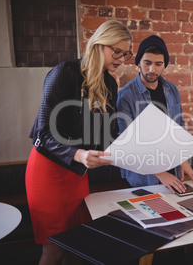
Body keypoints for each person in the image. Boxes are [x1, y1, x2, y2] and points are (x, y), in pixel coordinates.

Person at [26, 20, 133, 265]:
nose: (121, 58)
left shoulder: (109, 83)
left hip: (77, 174)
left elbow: (109, 135)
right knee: (54, 250)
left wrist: (146, 156)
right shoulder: (64, 73)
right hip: (49, 172)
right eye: (116, 51)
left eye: (125, 53)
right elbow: (43, 134)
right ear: (98, 44)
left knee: (78, 245)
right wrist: (79, 155)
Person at [116, 35, 193, 193]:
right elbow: (127, 144)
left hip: (171, 170)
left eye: (158, 64)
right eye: (147, 63)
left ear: (164, 65)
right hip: (144, 176)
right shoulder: (126, 96)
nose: (152, 70)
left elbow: (179, 128)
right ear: (139, 62)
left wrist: (184, 162)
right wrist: (161, 174)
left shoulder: (172, 90)